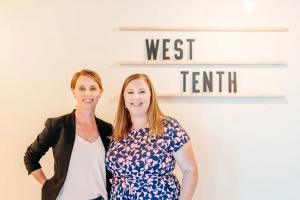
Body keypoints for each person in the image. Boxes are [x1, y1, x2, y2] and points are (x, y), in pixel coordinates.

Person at [106, 73, 198, 199]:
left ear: (151, 96)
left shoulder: (168, 127)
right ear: (124, 99)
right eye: (130, 92)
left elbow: (190, 170)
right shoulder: (118, 132)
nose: (136, 97)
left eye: (142, 91)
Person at [24, 69, 112, 200]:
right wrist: (47, 185)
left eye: (93, 88)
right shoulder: (56, 125)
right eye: (81, 88)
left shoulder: (107, 129)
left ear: (100, 92)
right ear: (73, 92)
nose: (87, 93)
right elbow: (30, 157)